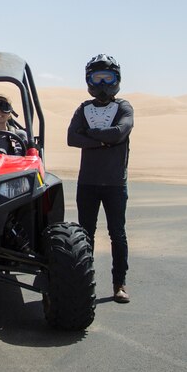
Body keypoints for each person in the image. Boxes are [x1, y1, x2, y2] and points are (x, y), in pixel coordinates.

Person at [67, 54, 134, 303]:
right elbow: (72, 138)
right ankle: (85, 282)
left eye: (109, 77)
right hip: (88, 183)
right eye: (98, 77)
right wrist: (103, 140)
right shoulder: (84, 108)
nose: (103, 83)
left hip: (115, 183)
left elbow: (120, 132)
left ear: (117, 79)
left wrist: (91, 135)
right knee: (85, 235)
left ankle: (120, 284)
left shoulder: (124, 107)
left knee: (117, 234)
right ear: (89, 80)